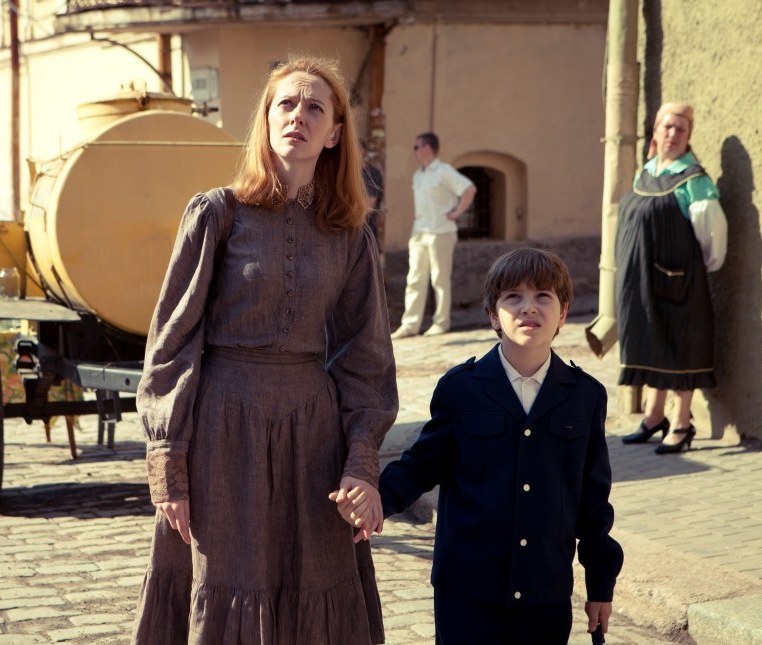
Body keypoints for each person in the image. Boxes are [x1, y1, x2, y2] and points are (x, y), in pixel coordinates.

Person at [132, 56, 398, 645]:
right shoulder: (216, 213)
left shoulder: (351, 235)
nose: (298, 116)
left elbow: (367, 359)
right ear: (267, 119)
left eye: (314, 107)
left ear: (334, 134)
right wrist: (169, 468)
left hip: (313, 439)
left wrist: (361, 464)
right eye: (286, 104)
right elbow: (171, 345)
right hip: (221, 432)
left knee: (315, 583)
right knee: (224, 582)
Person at [341, 248, 623, 644]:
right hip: (467, 593)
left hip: (544, 594)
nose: (529, 307)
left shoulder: (585, 396)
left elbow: (593, 501)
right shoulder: (461, 389)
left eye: (543, 296)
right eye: (513, 297)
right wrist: (375, 501)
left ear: (563, 314)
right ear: (493, 314)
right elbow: (421, 465)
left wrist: (600, 585)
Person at [615, 103, 727, 454]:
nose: (673, 134)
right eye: (667, 127)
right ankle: (654, 416)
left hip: (679, 280)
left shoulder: (694, 180)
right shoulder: (646, 172)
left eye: (681, 129)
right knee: (652, 339)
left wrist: (692, 269)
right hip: (641, 279)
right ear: (656, 131)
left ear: (688, 136)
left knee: (680, 344)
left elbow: (712, 235)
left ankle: (680, 423)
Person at [391, 132, 476, 339]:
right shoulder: (418, 175)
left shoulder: (444, 171)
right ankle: (410, 325)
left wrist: (456, 213)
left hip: (441, 232)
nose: (414, 151)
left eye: (416, 147)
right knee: (415, 278)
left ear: (427, 148)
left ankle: (441, 323)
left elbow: (469, 189)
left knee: (439, 279)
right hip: (419, 232)